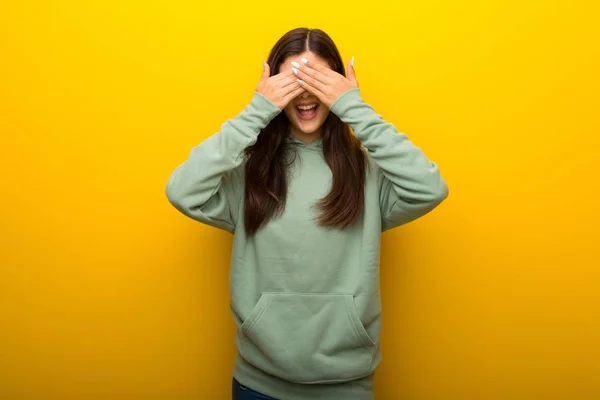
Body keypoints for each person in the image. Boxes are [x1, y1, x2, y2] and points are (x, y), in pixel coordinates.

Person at [165, 27, 449, 400]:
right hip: (258, 384)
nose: (304, 92)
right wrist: (255, 112)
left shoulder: (368, 175)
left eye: (319, 79)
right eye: (292, 79)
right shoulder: (249, 173)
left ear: (339, 86)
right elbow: (182, 190)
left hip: (346, 387)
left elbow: (430, 187)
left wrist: (354, 108)